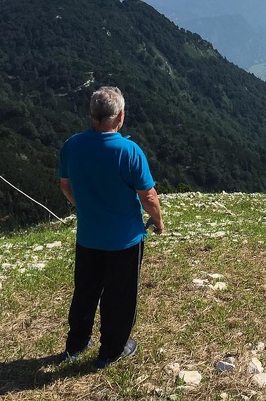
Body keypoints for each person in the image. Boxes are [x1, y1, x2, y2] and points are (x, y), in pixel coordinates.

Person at [56, 86, 164, 369]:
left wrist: (80, 206)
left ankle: (76, 345)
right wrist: (159, 221)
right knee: (120, 297)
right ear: (120, 117)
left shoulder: (72, 145)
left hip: (89, 236)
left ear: (91, 115)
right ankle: (111, 351)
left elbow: (64, 184)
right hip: (124, 240)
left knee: (85, 292)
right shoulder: (129, 151)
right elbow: (148, 196)